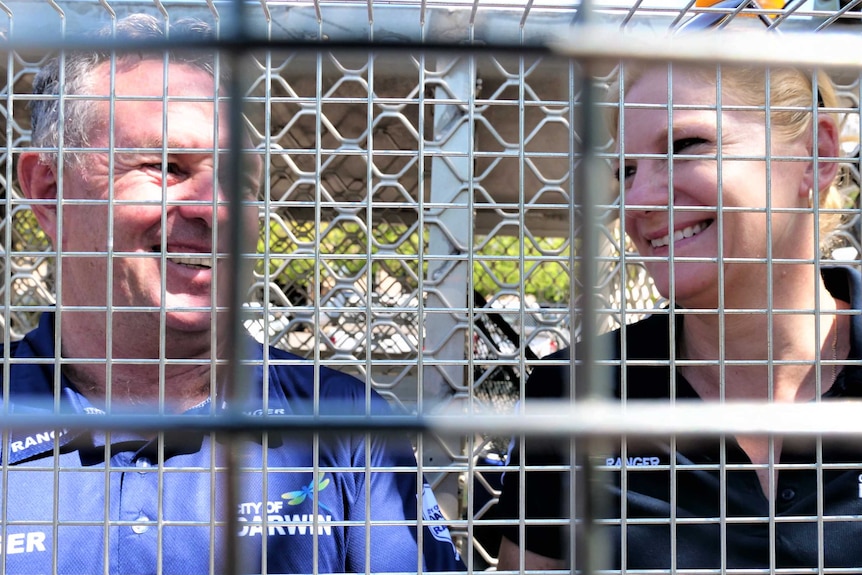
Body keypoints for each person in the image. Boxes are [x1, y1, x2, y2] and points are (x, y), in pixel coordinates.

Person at [9, 13, 463, 575]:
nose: (215, 210)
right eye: (166, 167)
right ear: (49, 190)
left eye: (236, 181)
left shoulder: (342, 423)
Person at [495, 60, 862, 571]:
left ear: (816, 154)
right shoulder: (575, 394)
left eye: (685, 146)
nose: (638, 199)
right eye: (625, 170)